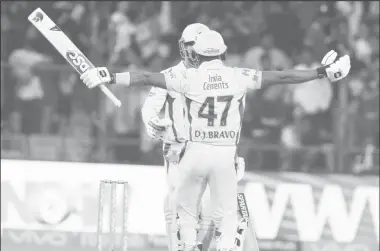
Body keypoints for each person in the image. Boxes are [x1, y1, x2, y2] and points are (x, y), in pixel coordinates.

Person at [80, 30, 351, 251]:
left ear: (195, 52)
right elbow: (283, 76)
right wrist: (321, 72)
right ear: (222, 52)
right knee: (227, 220)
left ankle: (189, 245)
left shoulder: (187, 77)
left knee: (183, 217)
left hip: (193, 153)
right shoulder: (239, 76)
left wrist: (110, 76)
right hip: (224, 154)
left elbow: (144, 77)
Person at [141, 23, 246, 251]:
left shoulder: (223, 76)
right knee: (175, 209)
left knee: (216, 211)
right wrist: (153, 125)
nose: (193, 50)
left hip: (213, 150)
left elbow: (234, 116)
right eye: (190, 44)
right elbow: (149, 110)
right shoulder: (170, 76)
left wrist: (234, 153)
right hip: (178, 152)